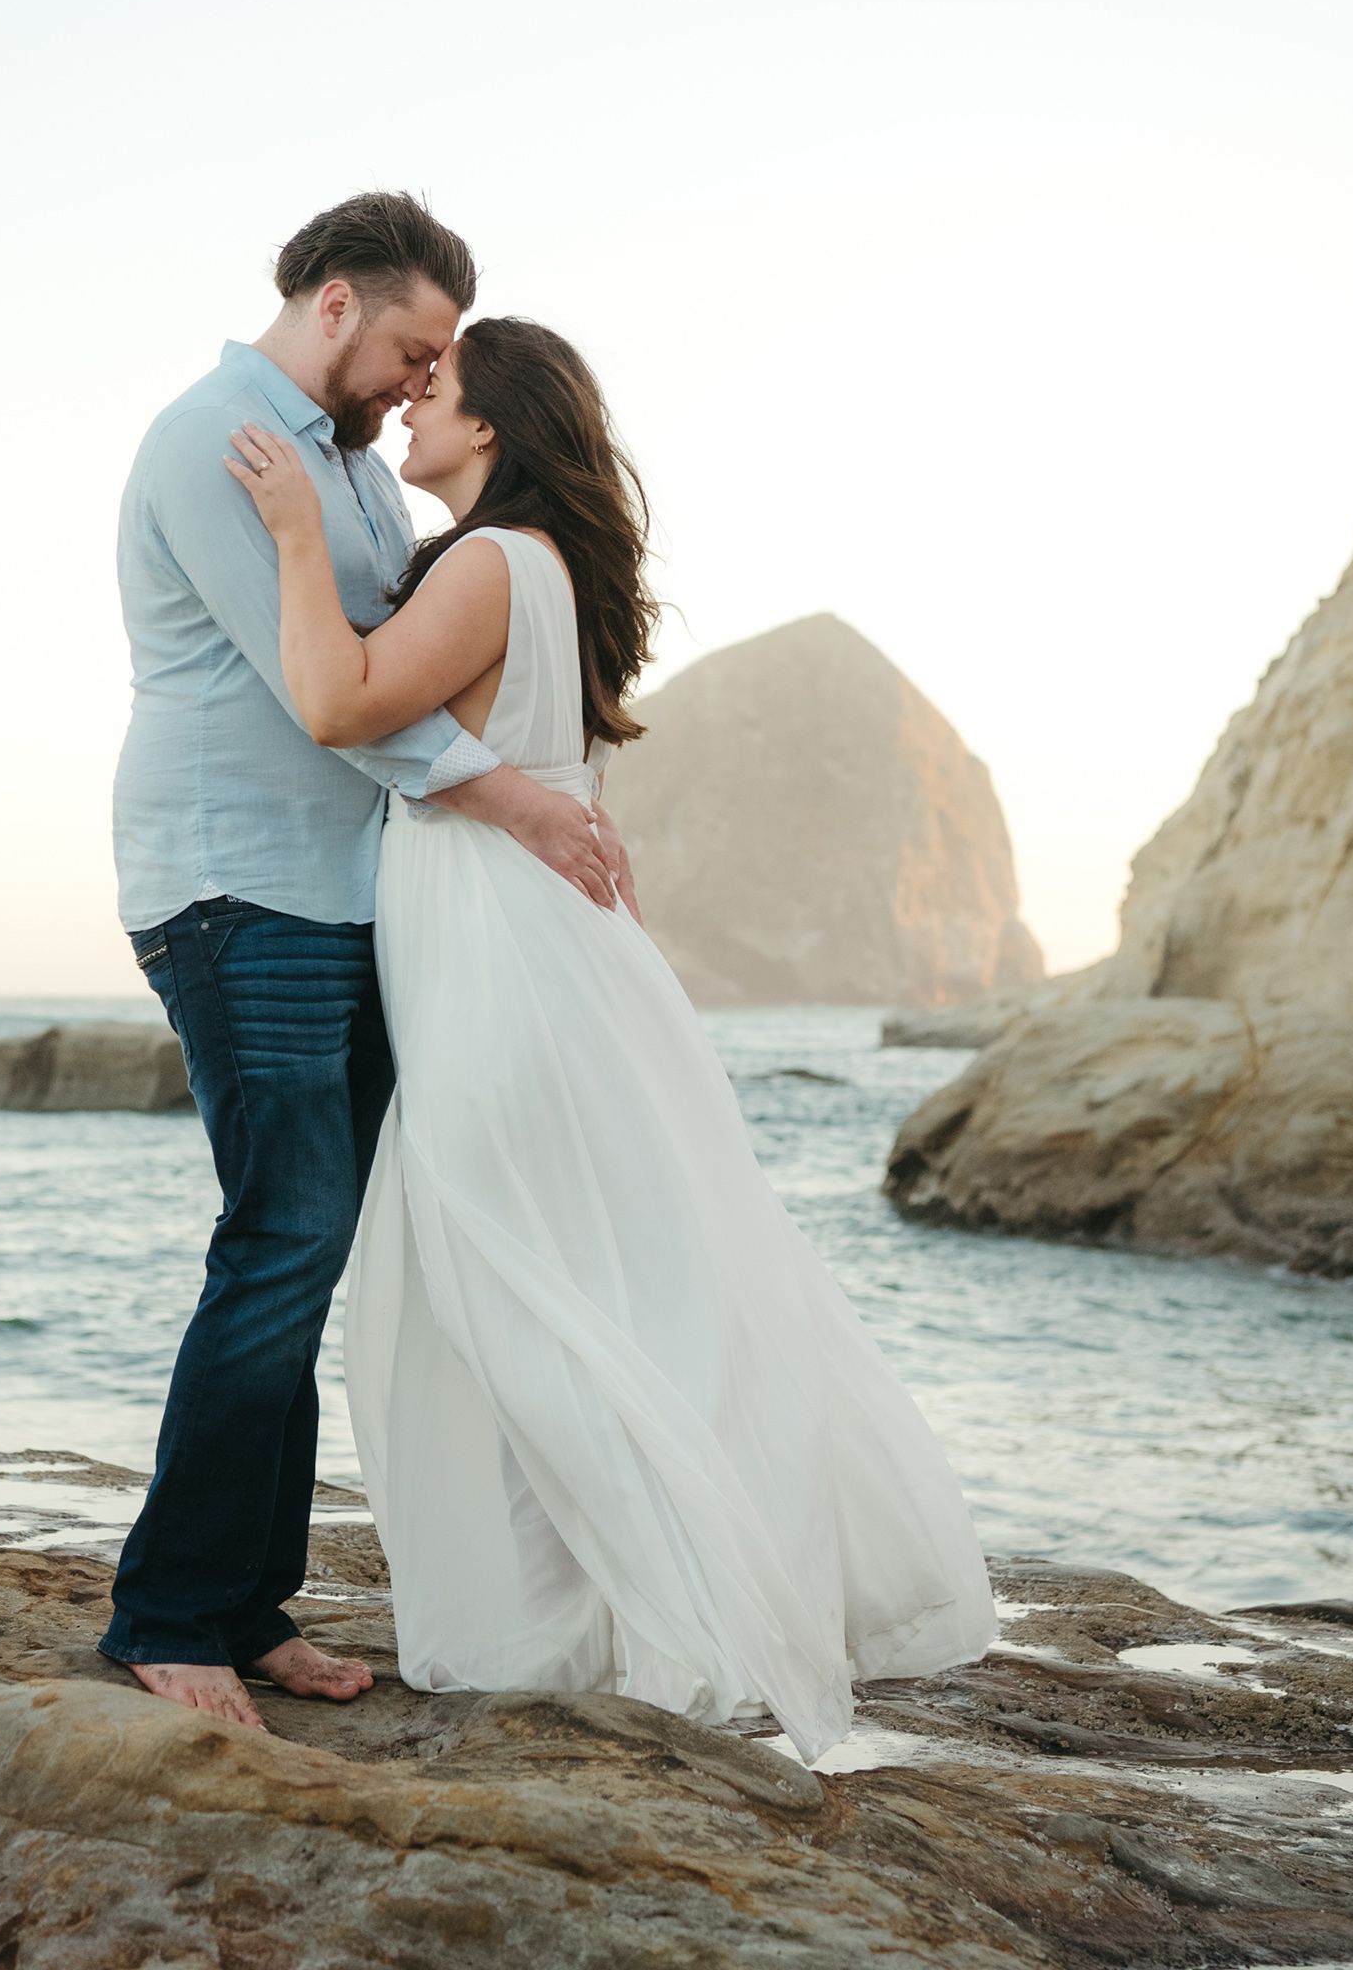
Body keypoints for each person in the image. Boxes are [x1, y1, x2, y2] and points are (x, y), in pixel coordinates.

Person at [224, 314, 999, 1760]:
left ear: (496, 427)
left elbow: (338, 705)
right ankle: (621, 1588)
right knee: (593, 1269)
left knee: (507, 1276)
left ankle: (631, 1605)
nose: (409, 410)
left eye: (436, 388)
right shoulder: (549, 570)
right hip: (541, 942)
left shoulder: (484, 566)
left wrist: (285, 534)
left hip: (497, 952)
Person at [101, 195, 633, 1735]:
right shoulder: (219, 441)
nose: (420, 383)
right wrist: (530, 802)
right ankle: (169, 1614)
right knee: (283, 1238)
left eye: (439, 367)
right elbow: (324, 694)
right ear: (336, 306)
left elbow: (408, 671)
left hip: (347, 900)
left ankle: (245, 1601)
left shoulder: (351, 479)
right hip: (236, 886)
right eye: (412, 349)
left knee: (307, 1249)